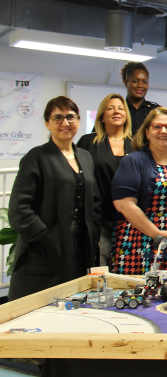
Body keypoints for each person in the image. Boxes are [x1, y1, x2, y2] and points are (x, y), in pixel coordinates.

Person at [8, 97, 100, 300]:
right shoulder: (37, 157)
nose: (65, 123)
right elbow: (19, 211)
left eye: (70, 117)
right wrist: (46, 238)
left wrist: (92, 233)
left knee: (74, 306)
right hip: (43, 250)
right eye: (58, 118)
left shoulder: (84, 156)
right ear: (47, 123)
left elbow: (95, 202)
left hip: (79, 246)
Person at [112, 107, 167, 275]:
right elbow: (124, 205)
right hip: (140, 242)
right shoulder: (133, 161)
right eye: (157, 126)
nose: (164, 131)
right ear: (147, 132)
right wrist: (158, 234)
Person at [76, 93, 133, 266]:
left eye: (121, 108)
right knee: (100, 272)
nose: (116, 111)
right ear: (101, 115)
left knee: (126, 271)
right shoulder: (88, 141)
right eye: (110, 108)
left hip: (130, 221)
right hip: (98, 220)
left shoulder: (137, 144)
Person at [121, 61, 159, 134]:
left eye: (144, 82)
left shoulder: (156, 111)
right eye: (135, 81)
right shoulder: (118, 111)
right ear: (125, 82)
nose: (140, 86)